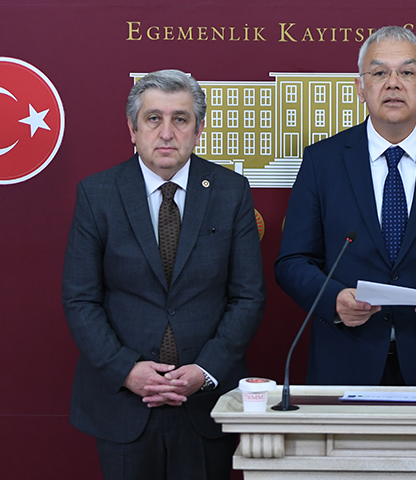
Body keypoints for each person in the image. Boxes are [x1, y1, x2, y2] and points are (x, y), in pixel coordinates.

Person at [275, 25, 416, 386]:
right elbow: (293, 261)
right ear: (360, 87)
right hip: (346, 359)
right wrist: (333, 299)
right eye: (380, 72)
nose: (394, 83)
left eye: (407, 72)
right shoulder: (323, 161)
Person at [62, 69, 266, 479]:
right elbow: (81, 299)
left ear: (199, 130)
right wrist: (125, 369)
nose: (167, 133)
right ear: (133, 129)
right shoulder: (97, 194)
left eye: (180, 119)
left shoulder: (231, 192)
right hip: (124, 402)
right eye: (154, 118)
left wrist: (206, 370)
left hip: (205, 401)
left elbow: (248, 296)